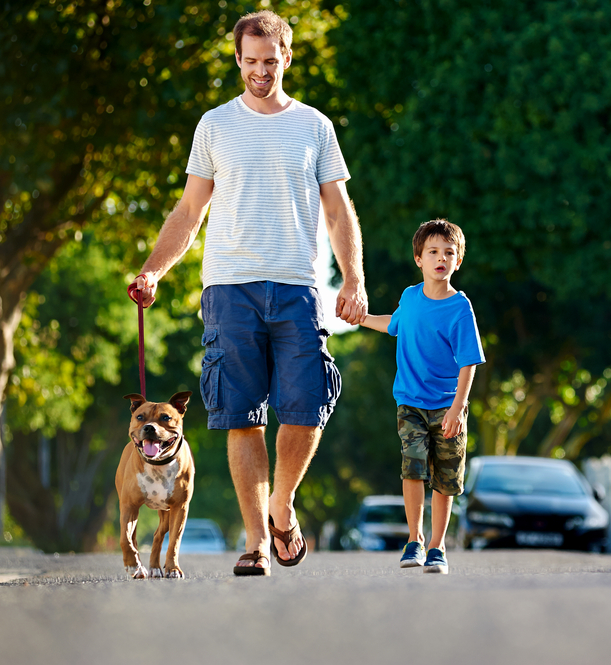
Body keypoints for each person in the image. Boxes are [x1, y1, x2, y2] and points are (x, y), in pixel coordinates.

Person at [130, 10, 367, 576]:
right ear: (238, 60)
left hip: (297, 286)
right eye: (250, 62)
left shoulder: (314, 126)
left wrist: (353, 278)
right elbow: (191, 211)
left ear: (286, 58)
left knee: (305, 408)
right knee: (242, 417)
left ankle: (282, 506)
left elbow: (338, 211)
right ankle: (257, 540)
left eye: (270, 61)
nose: (260, 72)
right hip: (229, 289)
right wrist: (154, 270)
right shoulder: (214, 125)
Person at [360, 219, 485, 574]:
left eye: (449, 253)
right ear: (419, 258)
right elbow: (393, 325)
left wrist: (458, 408)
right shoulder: (410, 297)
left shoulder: (460, 307)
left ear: (458, 261)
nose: (440, 258)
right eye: (433, 252)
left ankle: (437, 546)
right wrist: (359, 318)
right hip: (411, 401)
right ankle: (414, 539)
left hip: (448, 405)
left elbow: (469, 362)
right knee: (412, 465)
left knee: (445, 478)